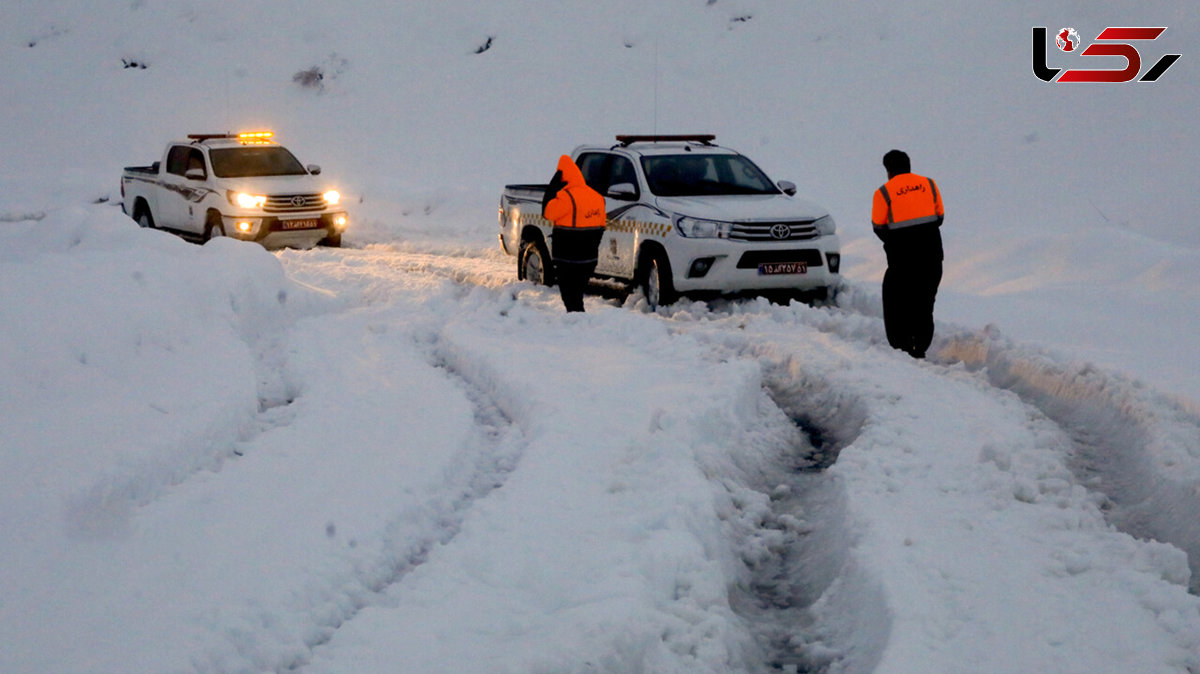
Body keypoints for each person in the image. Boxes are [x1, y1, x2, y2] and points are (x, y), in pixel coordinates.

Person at [870, 150, 944, 359]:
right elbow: (939, 217)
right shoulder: (929, 184)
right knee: (924, 301)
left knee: (897, 300)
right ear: (909, 165)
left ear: (888, 170)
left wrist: (898, 242)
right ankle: (920, 346)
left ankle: (902, 345)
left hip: (902, 261)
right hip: (932, 256)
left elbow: (879, 226)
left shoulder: (883, 193)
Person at [542, 154, 606, 312]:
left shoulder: (565, 198)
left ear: (561, 176)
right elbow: (601, 226)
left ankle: (577, 323)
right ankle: (578, 321)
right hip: (589, 257)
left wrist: (552, 188)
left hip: (568, 257)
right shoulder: (596, 197)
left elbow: (547, 212)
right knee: (577, 293)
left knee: (569, 295)